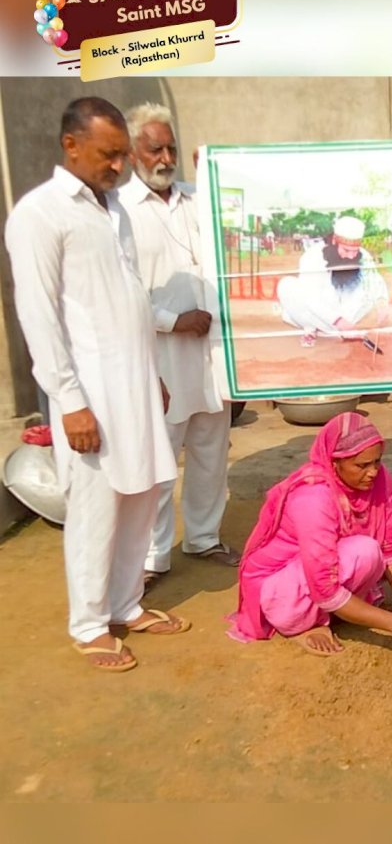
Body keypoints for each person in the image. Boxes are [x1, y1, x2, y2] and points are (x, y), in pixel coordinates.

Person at [5, 97, 190, 673]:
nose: (118, 166)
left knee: (141, 495)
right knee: (95, 506)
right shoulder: (41, 214)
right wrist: (70, 402)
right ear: (71, 146)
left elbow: (129, 297)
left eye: (120, 156)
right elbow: (38, 315)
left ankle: (125, 603)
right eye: (109, 155)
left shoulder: (115, 211)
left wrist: (152, 373)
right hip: (88, 391)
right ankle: (89, 624)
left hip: (134, 381)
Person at [119, 103, 239, 590]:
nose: (166, 157)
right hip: (159, 355)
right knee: (160, 457)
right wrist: (172, 320)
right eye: (155, 148)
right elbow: (119, 291)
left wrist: (214, 176)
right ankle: (152, 555)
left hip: (210, 353)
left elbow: (233, 230)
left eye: (171, 147)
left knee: (212, 448)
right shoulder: (120, 211)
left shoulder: (196, 199)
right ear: (132, 153)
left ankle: (204, 537)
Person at [227, 412, 392, 658]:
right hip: (281, 590)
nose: (373, 472)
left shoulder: (380, 479)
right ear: (334, 463)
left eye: (377, 462)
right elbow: (325, 588)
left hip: (329, 566)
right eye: (362, 465)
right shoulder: (313, 497)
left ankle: (346, 608)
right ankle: (307, 623)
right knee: (364, 551)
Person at [276, 215, 389, 348]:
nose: (352, 256)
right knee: (286, 286)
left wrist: (382, 304)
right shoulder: (313, 256)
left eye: (355, 251)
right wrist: (338, 321)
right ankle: (312, 329)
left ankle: (340, 332)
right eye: (346, 250)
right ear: (334, 241)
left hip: (348, 316)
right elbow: (310, 296)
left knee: (369, 295)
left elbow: (375, 282)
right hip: (318, 314)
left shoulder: (363, 256)